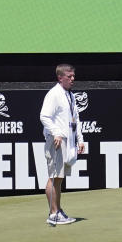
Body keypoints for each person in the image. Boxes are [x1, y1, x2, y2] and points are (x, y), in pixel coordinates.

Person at [39, 63, 86, 226]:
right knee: (54, 177)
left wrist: (80, 139)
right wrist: (56, 132)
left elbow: (76, 119)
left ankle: (58, 210)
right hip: (57, 141)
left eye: (73, 76)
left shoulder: (70, 95)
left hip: (68, 141)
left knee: (59, 178)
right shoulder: (54, 94)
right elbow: (44, 116)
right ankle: (53, 214)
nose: (73, 79)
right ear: (60, 77)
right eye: (69, 76)